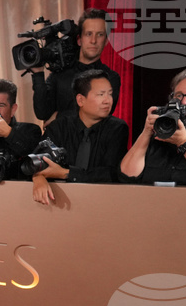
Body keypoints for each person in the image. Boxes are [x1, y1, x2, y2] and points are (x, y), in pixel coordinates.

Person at [32, 69, 129, 205]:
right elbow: (37, 161)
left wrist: (66, 173)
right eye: (101, 94)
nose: (108, 101)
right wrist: (38, 177)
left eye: (110, 94)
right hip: (60, 202)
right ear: (80, 100)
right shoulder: (59, 127)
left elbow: (110, 173)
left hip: (102, 201)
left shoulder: (117, 128)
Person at [30, 8, 121, 122]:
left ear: (106, 41)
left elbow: (98, 113)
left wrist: (58, 116)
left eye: (100, 34)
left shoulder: (111, 78)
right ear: (79, 40)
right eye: (88, 34)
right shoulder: (60, 72)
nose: (93, 41)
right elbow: (42, 113)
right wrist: (38, 74)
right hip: (56, 134)